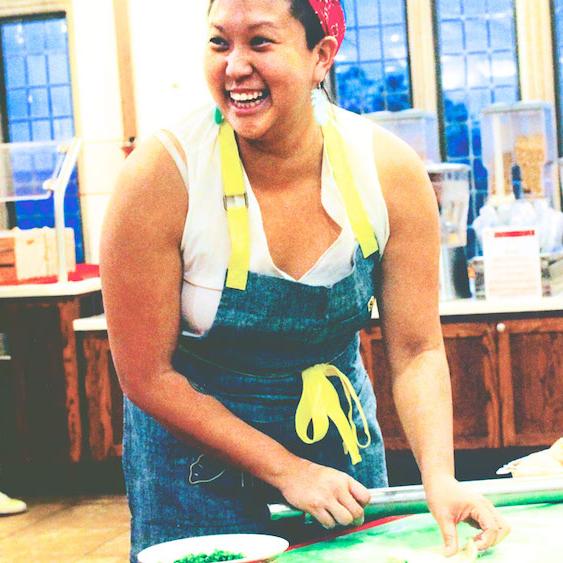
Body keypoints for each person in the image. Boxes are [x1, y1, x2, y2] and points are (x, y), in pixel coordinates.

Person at [100, 0, 510, 560]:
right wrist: (288, 471)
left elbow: (416, 350)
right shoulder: (161, 176)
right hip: (193, 469)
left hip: (337, 452)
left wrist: (440, 478)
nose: (234, 66)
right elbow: (147, 375)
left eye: (261, 43)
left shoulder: (386, 172)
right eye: (220, 43)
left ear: (322, 56)